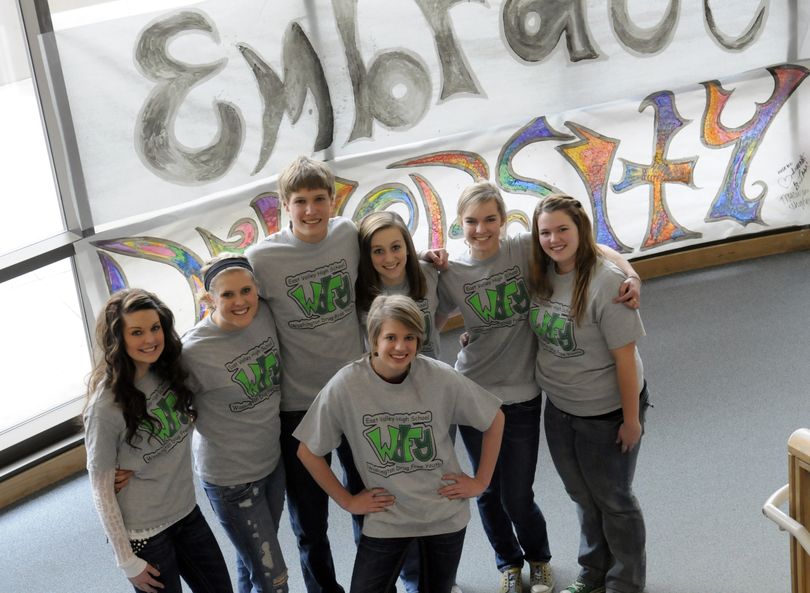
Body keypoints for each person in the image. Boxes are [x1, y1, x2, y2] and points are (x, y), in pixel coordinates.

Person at [435, 181, 641, 593]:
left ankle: (540, 559)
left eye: (490, 219)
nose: (481, 229)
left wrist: (633, 275)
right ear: (459, 224)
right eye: (472, 221)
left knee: (517, 492)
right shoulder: (450, 269)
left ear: (503, 219)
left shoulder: (523, 247)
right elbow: (427, 321)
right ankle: (508, 563)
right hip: (475, 392)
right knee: (488, 490)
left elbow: (592, 247)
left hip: (525, 394)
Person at [295, 295, 505, 593]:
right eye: (390, 337)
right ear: (373, 339)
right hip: (387, 517)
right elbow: (308, 450)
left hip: (443, 514)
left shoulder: (440, 376)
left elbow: (495, 419)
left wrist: (480, 482)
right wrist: (347, 500)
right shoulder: (347, 384)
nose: (400, 346)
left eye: (409, 337)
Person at [245, 155, 365, 593]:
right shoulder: (261, 258)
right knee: (310, 519)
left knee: (372, 502)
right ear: (283, 205)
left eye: (320, 199)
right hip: (298, 406)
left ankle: (378, 584)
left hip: (354, 394)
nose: (311, 210)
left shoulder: (348, 235)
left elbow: (394, 264)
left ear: (333, 200)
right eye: (300, 201)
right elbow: (233, 306)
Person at [527, 194, 649, 593]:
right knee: (581, 494)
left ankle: (624, 582)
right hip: (560, 407)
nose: (554, 238)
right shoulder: (541, 271)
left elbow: (625, 361)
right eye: (545, 231)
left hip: (607, 412)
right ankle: (594, 570)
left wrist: (631, 421)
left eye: (563, 229)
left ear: (580, 230)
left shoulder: (607, 283)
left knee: (614, 498)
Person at [83, 288, 232, 593]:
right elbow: (101, 491)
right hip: (145, 533)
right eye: (136, 332)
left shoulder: (169, 369)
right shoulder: (105, 407)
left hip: (187, 512)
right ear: (118, 340)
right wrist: (126, 560)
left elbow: (180, 423)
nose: (150, 339)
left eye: (155, 328)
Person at [181, 254, 288, 593]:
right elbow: (160, 403)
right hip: (231, 481)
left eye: (246, 290)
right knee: (274, 578)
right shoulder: (192, 351)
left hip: (271, 464)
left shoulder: (264, 316)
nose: (240, 301)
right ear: (209, 298)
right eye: (227, 295)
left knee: (252, 563)